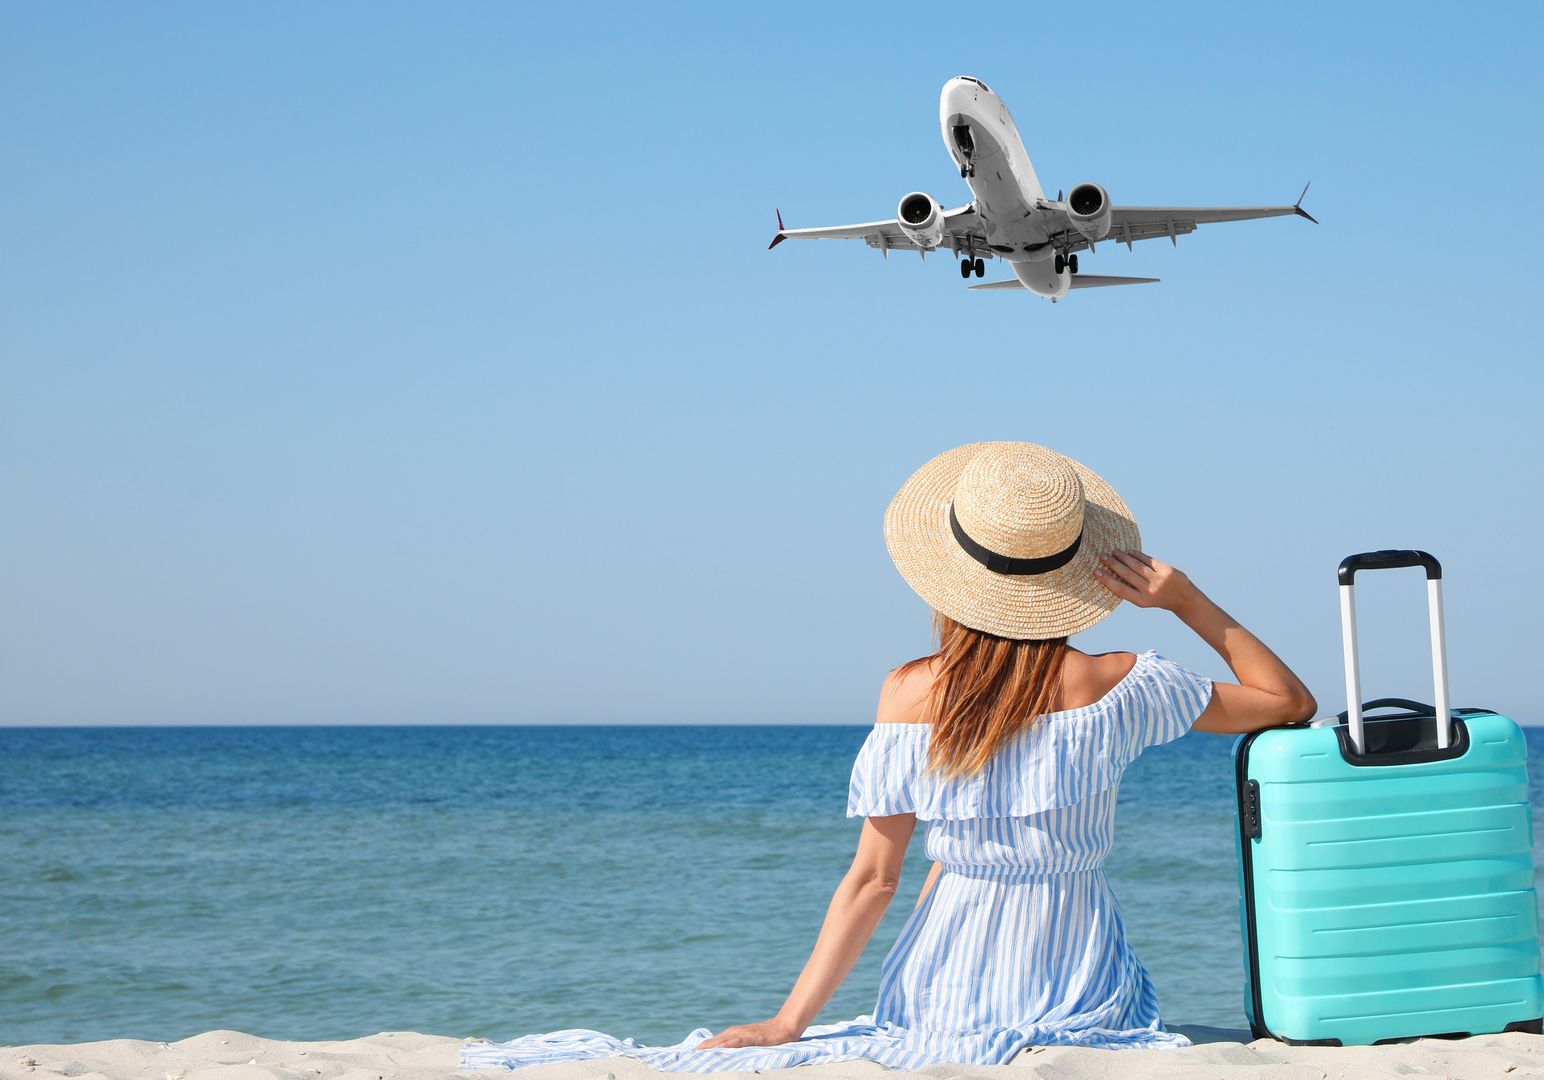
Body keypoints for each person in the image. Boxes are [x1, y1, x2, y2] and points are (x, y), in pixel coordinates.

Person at [458, 441, 1314, 1072]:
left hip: (937, 974)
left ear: (951, 577)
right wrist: (1186, 600)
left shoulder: (908, 693)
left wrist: (790, 1022)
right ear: (1072, 575)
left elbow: (872, 880)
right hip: (1077, 973)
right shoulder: (1117, 683)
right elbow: (1288, 703)